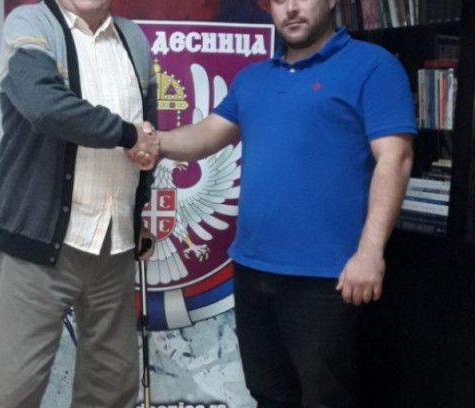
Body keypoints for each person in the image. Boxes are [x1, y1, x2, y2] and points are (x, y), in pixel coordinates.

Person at [137, 0, 416, 406]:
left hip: (328, 276)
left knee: (327, 399)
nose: (292, 9)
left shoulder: (373, 65)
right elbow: (206, 135)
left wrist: (370, 253)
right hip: (253, 269)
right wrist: (151, 142)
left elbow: (396, 158)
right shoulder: (253, 78)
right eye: (280, 1)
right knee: (268, 394)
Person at [0, 0, 159, 407]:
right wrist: (127, 135)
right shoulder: (30, 23)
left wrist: (137, 213)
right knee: (14, 392)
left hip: (114, 246)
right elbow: (43, 106)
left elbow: (147, 134)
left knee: (111, 392)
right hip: (36, 245)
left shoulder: (134, 39)